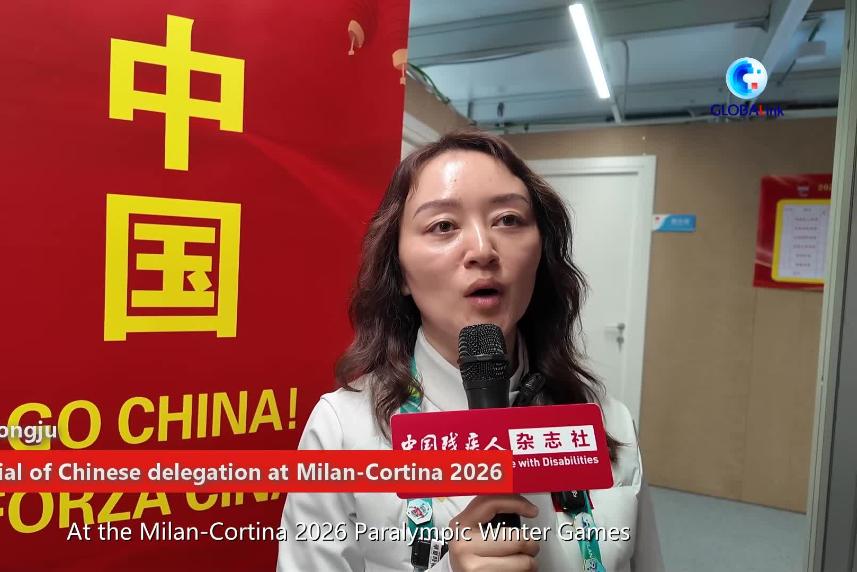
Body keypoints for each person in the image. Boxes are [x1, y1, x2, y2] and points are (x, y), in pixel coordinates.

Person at [276, 131, 663, 571]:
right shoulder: (343, 432)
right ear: (399, 272)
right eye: (443, 226)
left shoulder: (608, 423)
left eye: (508, 220)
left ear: (541, 254)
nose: (482, 250)